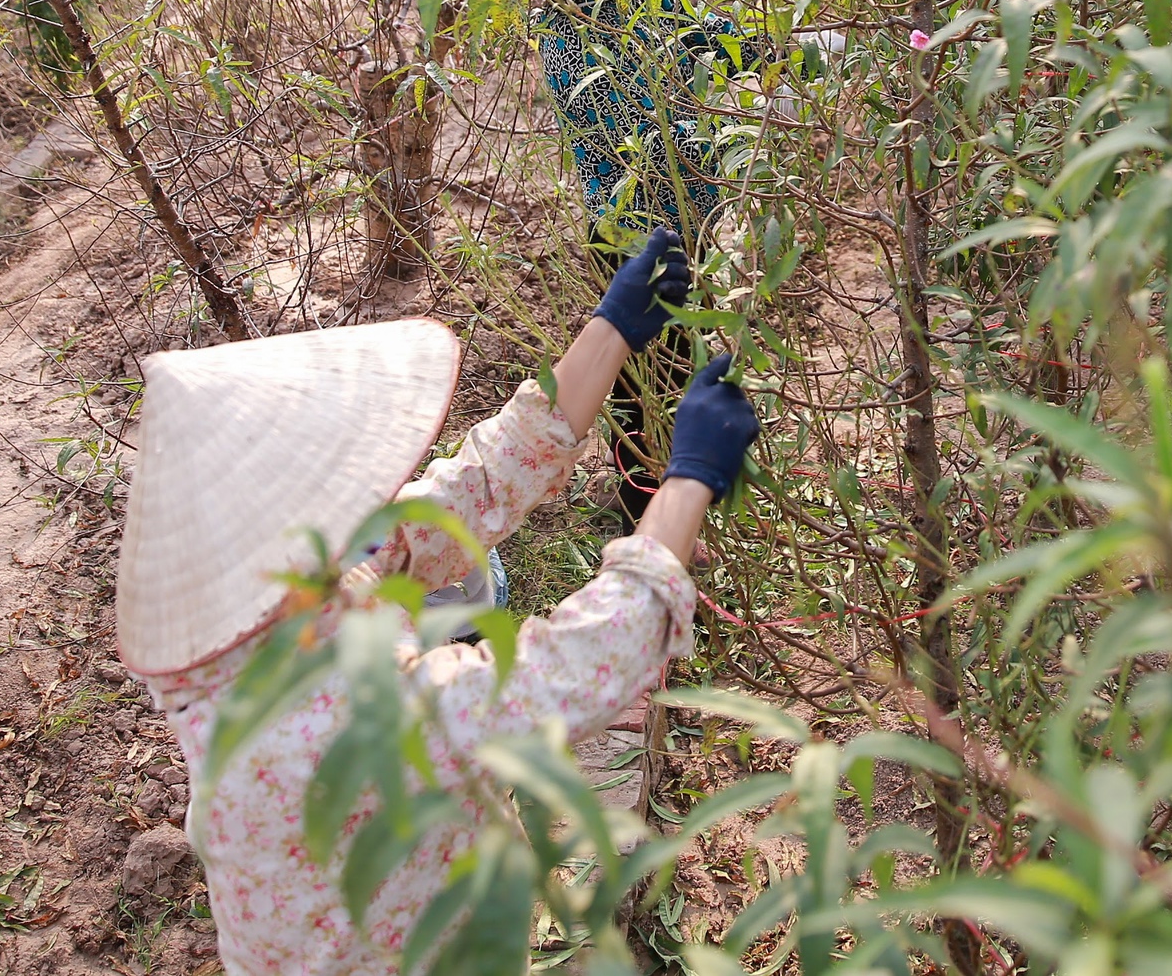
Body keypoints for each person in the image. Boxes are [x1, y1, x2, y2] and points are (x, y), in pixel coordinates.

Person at [114, 229, 758, 976]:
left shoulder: (252, 619)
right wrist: (687, 482)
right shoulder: (349, 714)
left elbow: (468, 492)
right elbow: (582, 664)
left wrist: (609, 329)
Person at [524, 0, 761, 522]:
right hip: (632, 243)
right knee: (644, 402)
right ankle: (644, 529)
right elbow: (645, 141)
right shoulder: (565, 40)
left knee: (688, 374)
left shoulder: (644, 1)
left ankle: (689, 526)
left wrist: (788, 48)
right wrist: (741, 139)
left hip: (689, 225)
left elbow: (713, 39)